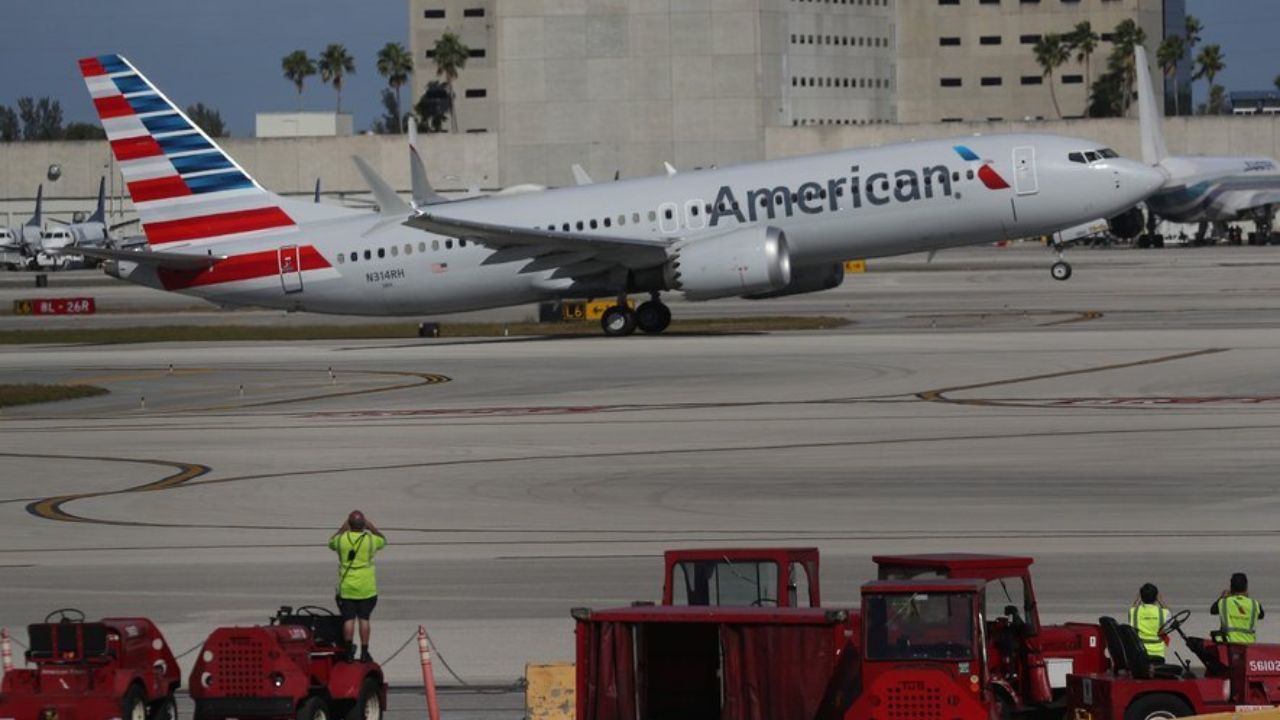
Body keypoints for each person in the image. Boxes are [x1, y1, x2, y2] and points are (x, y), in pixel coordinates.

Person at [329, 510, 387, 662]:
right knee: (364, 619)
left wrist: (342, 528)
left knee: (348, 620)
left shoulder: (341, 539)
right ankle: (364, 652)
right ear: (363, 525)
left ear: (349, 524)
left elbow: (331, 542)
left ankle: (348, 652)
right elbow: (384, 540)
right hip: (366, 587)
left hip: (347, 586)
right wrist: (372, 527)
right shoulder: (370, 539)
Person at [1210, 572, 1264, 644]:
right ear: (1246, 587)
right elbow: (1261, 615)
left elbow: (1213, 610)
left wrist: (1222, 597)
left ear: (1231, 587)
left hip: (1228, 644)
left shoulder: (1224, 602)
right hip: (1248, 644)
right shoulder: (1254, 604)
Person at [1127, 583, 1170, 660]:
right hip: (1158, 653)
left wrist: (1138, 598)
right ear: (1156, 597)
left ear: (1141, 597)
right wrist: (1160, 600)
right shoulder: (1163, 613)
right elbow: (1168, 613)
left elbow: (1132, 608)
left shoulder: (1134, 612)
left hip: (1140, 652)